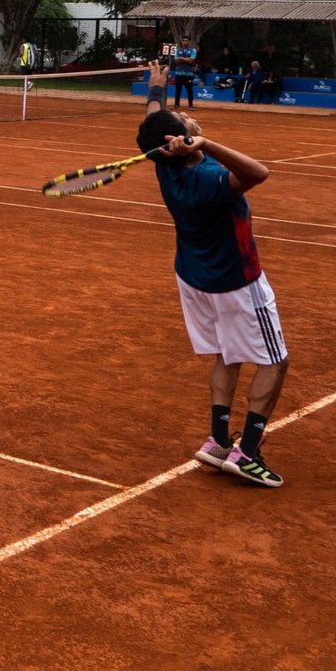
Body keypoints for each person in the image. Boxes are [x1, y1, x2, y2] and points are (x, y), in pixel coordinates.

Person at [141, 61, 287, 487]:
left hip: (193, 277)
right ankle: (249, 452)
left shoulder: (161, 160)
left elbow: (153, 114)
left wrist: (156, 83)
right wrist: (207, 143)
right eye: (185, 121)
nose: (190, 118)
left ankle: (217, 442)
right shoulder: (205, 178)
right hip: (235, 280)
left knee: (228, 353)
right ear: (178, 141)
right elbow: (258, 173)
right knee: (275, 361)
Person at [170, 34, 199, 108]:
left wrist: (182, 58)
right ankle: (176, 105)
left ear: (189, 42)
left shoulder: (193, 50)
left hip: (189, 73)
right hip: (179, 73)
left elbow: (191, 61)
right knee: (178, 90)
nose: (185, 42)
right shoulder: (178, 50)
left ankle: (190, 105)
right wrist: (185, 59)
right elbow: (176, 61)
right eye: (183, 41)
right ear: (181, 42)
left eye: (186, 41)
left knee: (189, 90)